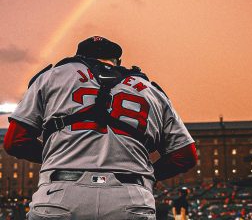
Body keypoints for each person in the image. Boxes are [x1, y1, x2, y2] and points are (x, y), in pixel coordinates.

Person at [4, 36, 197, 219]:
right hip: (131, 196)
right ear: (116, 61)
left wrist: (59, 154)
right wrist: (149, 174)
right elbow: (186, 155)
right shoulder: (151, 90)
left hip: (60, 193)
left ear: (79, 57)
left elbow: (15, 141)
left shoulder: (51, 76)